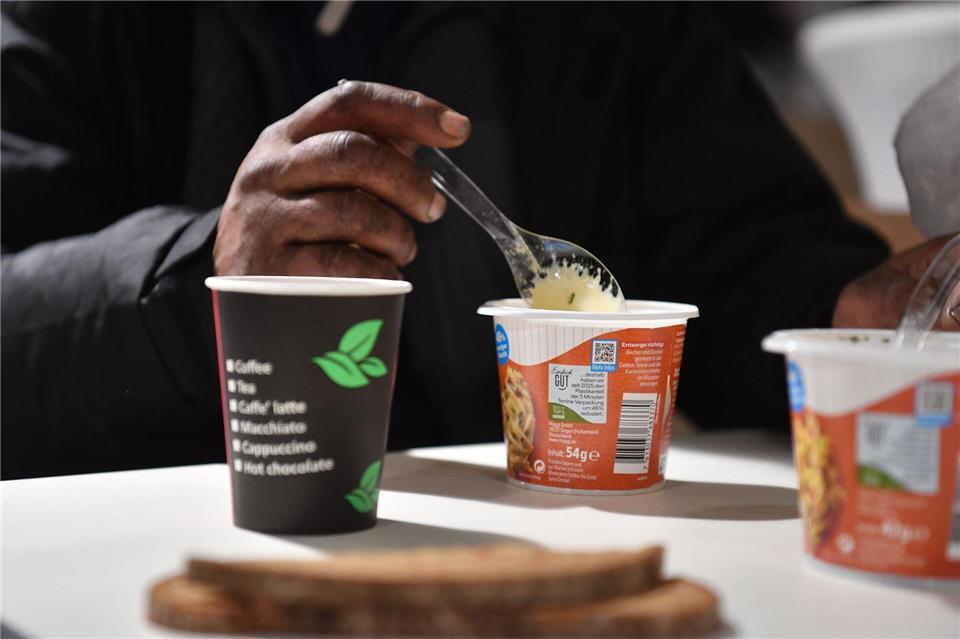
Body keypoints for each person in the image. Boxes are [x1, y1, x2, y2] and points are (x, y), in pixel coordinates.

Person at [0, 2, 943, 479]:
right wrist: (204, 273)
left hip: (523, 557)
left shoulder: (603, 21)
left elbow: (741, 249)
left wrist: (852, 316)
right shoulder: (83, 20)